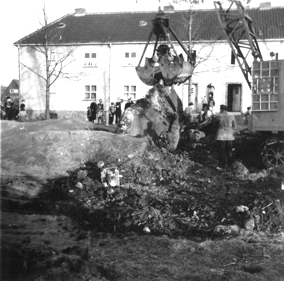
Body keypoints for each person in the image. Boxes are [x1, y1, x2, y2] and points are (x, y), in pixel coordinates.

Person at [215, 104, 236, 170]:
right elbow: (234, 125)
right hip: (229, 135)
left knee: (222, 150)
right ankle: (230, 164)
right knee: (229, 150)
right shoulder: (231, 115)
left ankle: (223, 165)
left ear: (221, 109)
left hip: (221, 135)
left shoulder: (218, 116)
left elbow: (215, 125)